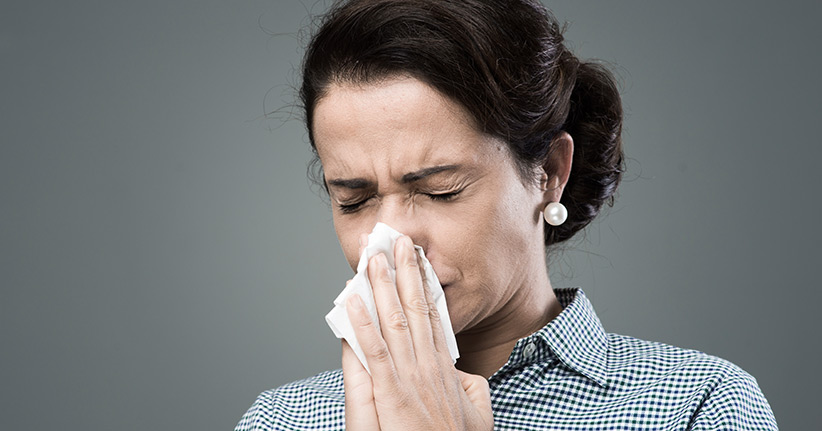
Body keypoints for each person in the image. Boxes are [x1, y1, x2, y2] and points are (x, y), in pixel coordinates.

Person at [236, 0, 777, 429]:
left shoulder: (698, 407)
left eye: (441, 190)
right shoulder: (281, 421)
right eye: (353, 199)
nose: (393, 238)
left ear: (548, 172)